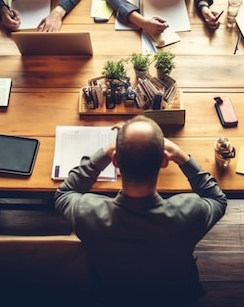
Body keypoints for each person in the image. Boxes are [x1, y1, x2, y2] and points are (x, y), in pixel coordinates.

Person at [54, 115, 227, 306]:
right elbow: (217, 199)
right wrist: (180, 155)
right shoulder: (190, 212)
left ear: (115, 161)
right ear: (164, 161)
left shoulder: (87, 212)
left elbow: (65, 193)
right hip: (174, 296)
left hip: (109, 296)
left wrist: (110, 149)